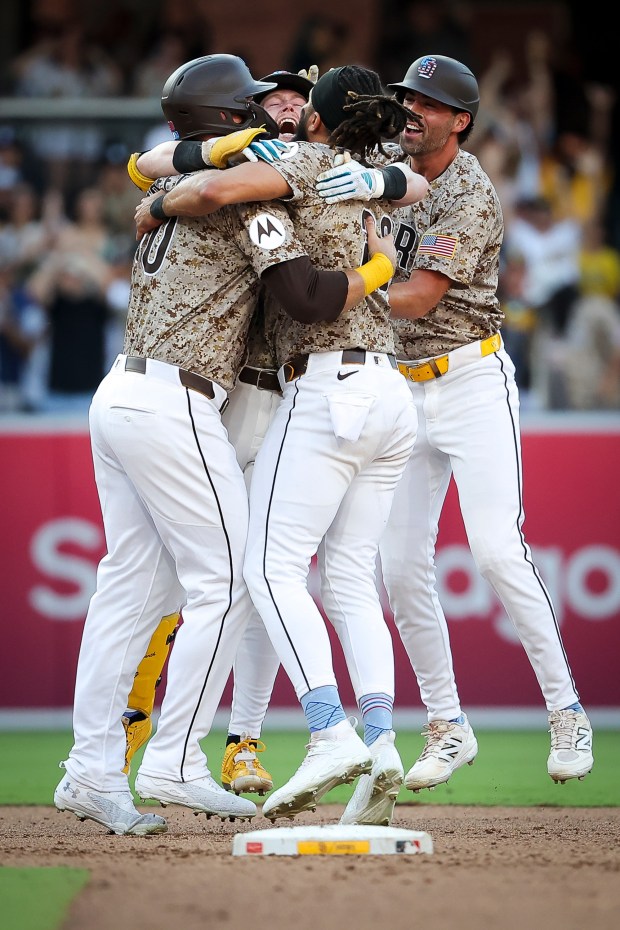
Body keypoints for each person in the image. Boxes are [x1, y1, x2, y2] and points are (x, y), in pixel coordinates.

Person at [54, 54, 396, 836]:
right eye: (244, 106)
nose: (261, 116)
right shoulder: (248, 183)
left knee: (128, 593)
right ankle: (175, 761)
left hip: (124, 392)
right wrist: (377, 264)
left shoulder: (173, 180)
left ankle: (90, 770)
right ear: (220, 119)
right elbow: (305, 296)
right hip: (177, 400)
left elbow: (158, 171)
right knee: (234, 580)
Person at [134, 64, 429, 826]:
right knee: (351, 582)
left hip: (321, 386)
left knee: (263, 568)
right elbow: (415, 186)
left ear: (316, 118)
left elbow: (209, 196)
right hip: (391, 393)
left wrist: (157, 198)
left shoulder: (296, 163)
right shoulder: (369, 172)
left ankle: (328, 732)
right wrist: (386, 216)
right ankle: (383, 743)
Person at [316, 54, 594, 790]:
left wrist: (329, 292)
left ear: (460, 119)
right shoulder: (386, 159)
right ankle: (446, 723)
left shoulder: (470, 191)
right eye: (407, 97)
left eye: (429, 104)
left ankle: (566, 709)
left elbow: (415, 299)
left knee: (500, 550)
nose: (413, 110)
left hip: (469, 377)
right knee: (399, 566)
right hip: (400, 389)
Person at [122, 68, 317, 798]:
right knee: (201, 574)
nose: (290, 106)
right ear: (246, 114)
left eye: (302, 99)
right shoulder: (245, 163)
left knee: (269, 572)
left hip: (299, 395)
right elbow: (146, 163)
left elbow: (150, 173)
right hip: (230, 393)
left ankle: (244, 739)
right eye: (275, 99)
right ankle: (136, 727)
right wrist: (177, 184)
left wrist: (163, 195)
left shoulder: (314, 167)